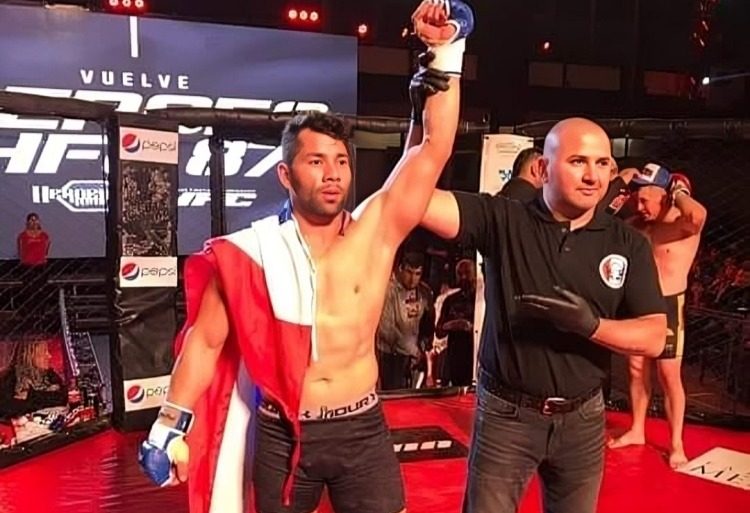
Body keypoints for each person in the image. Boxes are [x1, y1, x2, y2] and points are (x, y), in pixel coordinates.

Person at [138, 3, 474, 513]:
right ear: (286, 175)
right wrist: (168, 425)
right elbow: (204, 343)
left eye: (340, 161)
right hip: (282, 431)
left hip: (362, 428)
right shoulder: (252, 255)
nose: (333, 173)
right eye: (316, 161)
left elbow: (432, 149)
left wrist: (445, 50)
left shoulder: (374, 232)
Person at [419, 117, 667, 513]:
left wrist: (592, 326)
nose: (593, 176)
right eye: (578, 161)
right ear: (543, 168)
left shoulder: (628, 243)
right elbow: (412, 200)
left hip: (584, 418)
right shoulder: (504, 219)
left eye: (603, 163)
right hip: (507, 416)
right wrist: (423, 128)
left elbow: (654, 337)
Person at [608, 164, 707, 469]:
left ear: (664, 196)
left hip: (668, 304)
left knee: (668, 376)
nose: (639, 206)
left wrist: (679, 191)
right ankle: (637, 429)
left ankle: (676, 444)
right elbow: (601, 218)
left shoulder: (681, 224)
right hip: (638, 304)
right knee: (636, 370)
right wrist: (620, 182)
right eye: (636, 199)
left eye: (645, 200)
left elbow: (698, 216)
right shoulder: (636, 225)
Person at [376, 252, 435, 390]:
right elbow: (387, 332)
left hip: (416, 357)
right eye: (409, 272)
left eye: (417, 274)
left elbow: (429, 325)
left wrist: (424, 347)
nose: (412, 279)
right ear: (400, 269)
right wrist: (414, 351)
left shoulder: (424, 292)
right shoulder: (388, 291)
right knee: (394, 398)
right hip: (391, 357)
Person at [434, 258, 475, 386]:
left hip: (475, 355)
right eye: (459, 273)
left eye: (467, 273)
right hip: (455, 357)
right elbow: (439, 332)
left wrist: (471, 327)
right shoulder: (450, 300)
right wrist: (451, 325)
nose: (463, 277)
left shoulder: (480, 300)